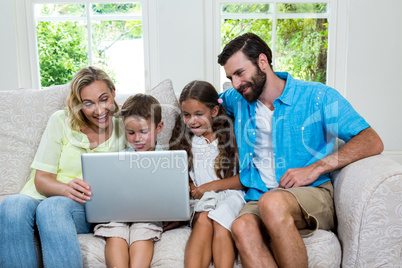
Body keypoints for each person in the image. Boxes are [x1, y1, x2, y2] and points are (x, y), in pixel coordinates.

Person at [217, 32, 384, 267]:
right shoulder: (238, 98)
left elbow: (371, 140)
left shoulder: (317, 97)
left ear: (262, 62)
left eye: (239, 73)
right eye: (230, 77)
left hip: (311, 192)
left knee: (272, 203)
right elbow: (207, 103)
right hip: (259, 194)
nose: (235, 84)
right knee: (241, 226)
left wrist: (315, 168)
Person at [0, 66, 127, 267]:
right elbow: (41, 179)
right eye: (88, 103)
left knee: (53, 207)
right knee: (11, 205)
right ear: (79, 104)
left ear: (113, 93)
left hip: (81, 208)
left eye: (104, 99)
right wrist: (65, 189)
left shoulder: (126, 129)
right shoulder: (60, 120)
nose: (99, 110)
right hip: (40, 198)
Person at [169, 80, 245, 268]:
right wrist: (192, 187)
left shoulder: (230, 136)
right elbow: (176, 177)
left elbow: (245, 179)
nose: (192, 120)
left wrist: (210, 187)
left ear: (214, 111)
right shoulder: (185, 140)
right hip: (201, 200)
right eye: (187, 115)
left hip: (230, 195)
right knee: (203, 218)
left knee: (220, 218)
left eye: (198, 114)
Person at [93, 94, 164, 268]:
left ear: (159, 127)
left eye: (143, 132)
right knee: (114, 228)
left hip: (149, 214)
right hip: (120, 212)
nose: (137, 139)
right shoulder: (120, 158)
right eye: (131, 133)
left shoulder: (168, 159)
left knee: (144, 228)